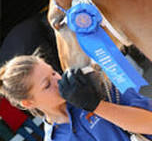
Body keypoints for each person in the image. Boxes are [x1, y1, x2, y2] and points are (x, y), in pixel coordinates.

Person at [0, 55, 152, 141]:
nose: (58, 81)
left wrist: (97, 105)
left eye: (53, 73)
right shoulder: (54, 139)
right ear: (28, 103)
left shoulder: (94, 87)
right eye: (47, 85)